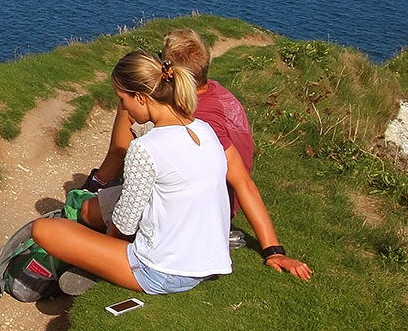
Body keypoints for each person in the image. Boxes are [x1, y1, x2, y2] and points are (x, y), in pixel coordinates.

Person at [81, 29, 310, 281]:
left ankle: (100, 186)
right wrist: (273, 249)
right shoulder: (221, 98)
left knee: (88, 211)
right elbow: (244, 182)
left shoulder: (200, 118)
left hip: (186, 211)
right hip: (218, 208)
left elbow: (121, 148)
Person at [30, 50, 234, 295]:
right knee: (95, 216)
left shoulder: (145, 147)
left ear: (140, 97)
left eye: (122, 99)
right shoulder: (204, 130)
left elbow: (124, 224)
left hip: (163, 271)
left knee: (44, 230)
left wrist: (104, 250)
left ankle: (97, 271)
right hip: (208, 261)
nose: (124, 108)